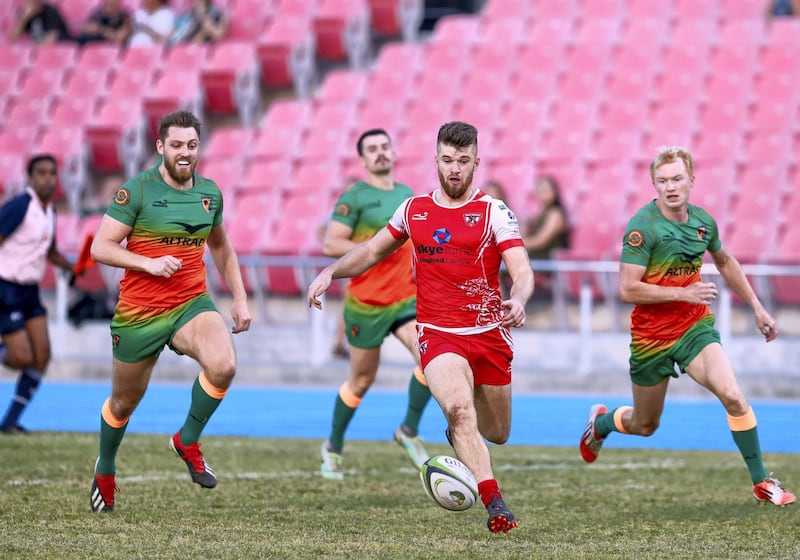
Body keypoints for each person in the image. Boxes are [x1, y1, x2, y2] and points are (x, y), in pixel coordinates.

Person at [308, 122, 534, 533]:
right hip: (437, 332)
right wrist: (331, 271)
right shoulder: (414, 210)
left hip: (488, 335)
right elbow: (372, 250)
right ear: (436, 161)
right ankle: (496, 505)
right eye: (447, 160)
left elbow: (521, 269)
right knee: (459, 410)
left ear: (476, 163)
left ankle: (459, 434)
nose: (454, 169)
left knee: (497, 432)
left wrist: (518, 297)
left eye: (463, 161)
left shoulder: (493, 211)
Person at [579, 145, 795, 507]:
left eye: (677, 178)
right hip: (650, 341)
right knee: (645, 425)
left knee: (733, 395)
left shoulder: (703, 223)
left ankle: (761, 482)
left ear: (691, 180)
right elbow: (628, 288)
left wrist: (757, 307)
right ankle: (601, 424)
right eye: (662, 181)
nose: (670, 186)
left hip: (694, 330)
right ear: (654, 184)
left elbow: (725, 262)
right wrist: (683, 291)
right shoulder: (642, 227)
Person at [88, 110, 252, 513]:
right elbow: (100, 247)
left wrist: (241, 296)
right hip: (139, 312)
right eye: (176, 145)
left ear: (199, 147)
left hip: (190, 303)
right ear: (161, 147)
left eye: (192, 145)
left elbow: (221, 247)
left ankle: (187, 440)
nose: (185, 152)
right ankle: (105, 469)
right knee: (124, 403)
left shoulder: (210, 193)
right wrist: (147, 263)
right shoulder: (136, 191)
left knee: (224, 365)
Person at [317, 129, 433, 480]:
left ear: (393, 153)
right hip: (366, 305)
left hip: (405, 299)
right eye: (372, 149)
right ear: (363, 160)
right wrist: (376, 244)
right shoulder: (355, 198)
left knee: (432, 358)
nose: (380, 153)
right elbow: (330, 243)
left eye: (384, 147)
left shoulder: (406, 194)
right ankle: (333, 446)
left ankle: (408, 431)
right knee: (361, 382)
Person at [0, 155, 74, 434]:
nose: (48, 178)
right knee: (20, 358)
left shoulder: (49, 211)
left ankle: (9, 422)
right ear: (30, 178)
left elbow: (49, 250)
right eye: (41, 173)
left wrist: (69, 266)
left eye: (52, 173)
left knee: (41, 356)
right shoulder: (20, 206)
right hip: (7, 288)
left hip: (30, 291)